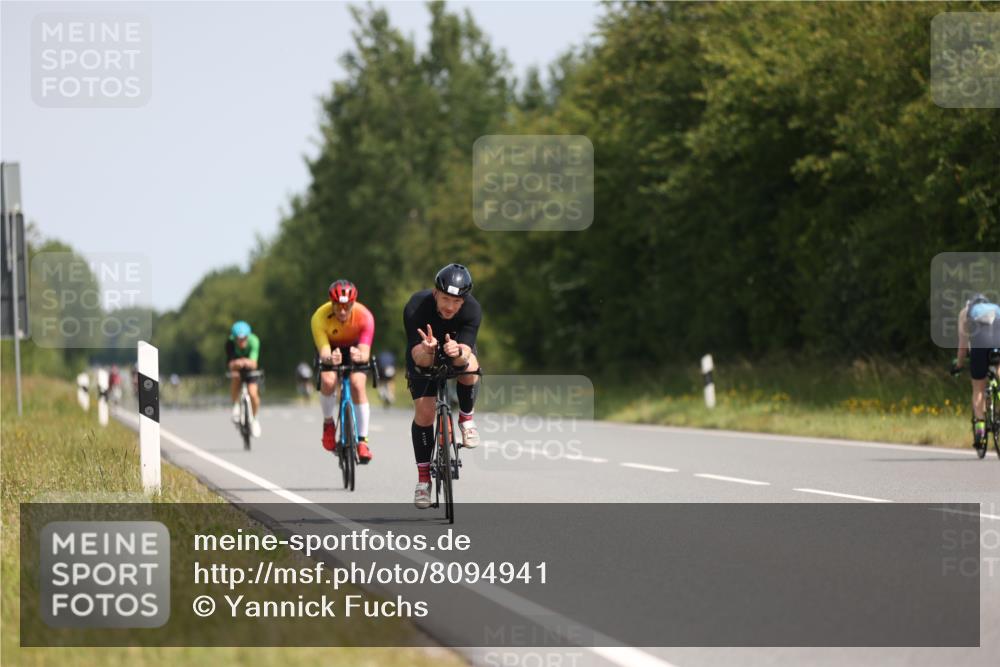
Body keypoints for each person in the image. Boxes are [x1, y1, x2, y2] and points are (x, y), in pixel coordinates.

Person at [403, 263, 482, 509]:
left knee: (470, 367)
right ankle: (423, 480)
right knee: (425, 414)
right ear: (436, 293)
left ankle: (466, 419)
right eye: (445, 299)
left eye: (456, 301)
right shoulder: (417, 306)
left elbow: (465, 354)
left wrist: (457, 351)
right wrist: (428, 350)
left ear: (464, 300)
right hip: (423, 354)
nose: (450, 307)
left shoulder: (472, 310)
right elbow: (418, 358)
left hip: (455, 351)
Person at [311, 279, 375, 462]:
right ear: (331, 303)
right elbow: (323, 352)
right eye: (337, 306)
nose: (342, 311)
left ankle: (362, 441)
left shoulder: (365, 316)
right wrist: (330, 359)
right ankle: (328, 423)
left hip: (355, 349)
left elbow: (365, 352)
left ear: (353, 303)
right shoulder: (319, 317)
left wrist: (360, 356)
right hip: (331, 350)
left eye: (347, 306)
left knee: (357, 384)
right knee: (329, 381)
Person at [954, 293, 1000, 448]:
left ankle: (980, 429)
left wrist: (959, 365)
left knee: (978, 389)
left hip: (980, 347)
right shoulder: (996, 309)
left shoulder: (965, 312)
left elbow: (962, 346)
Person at [226, 320, 262, 437]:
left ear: (248, 336)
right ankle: (235, 406)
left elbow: (254, 363)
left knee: (253, 393)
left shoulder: (254, 341)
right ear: (234, 338)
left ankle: (255, 419)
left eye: (244, 338)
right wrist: (237, 364)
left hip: (250, 369)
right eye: (239, 339)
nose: (241, 341)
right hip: (237, 369)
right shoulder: (230, 343)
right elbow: (230, 364)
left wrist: (245, 362)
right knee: (235, 378)